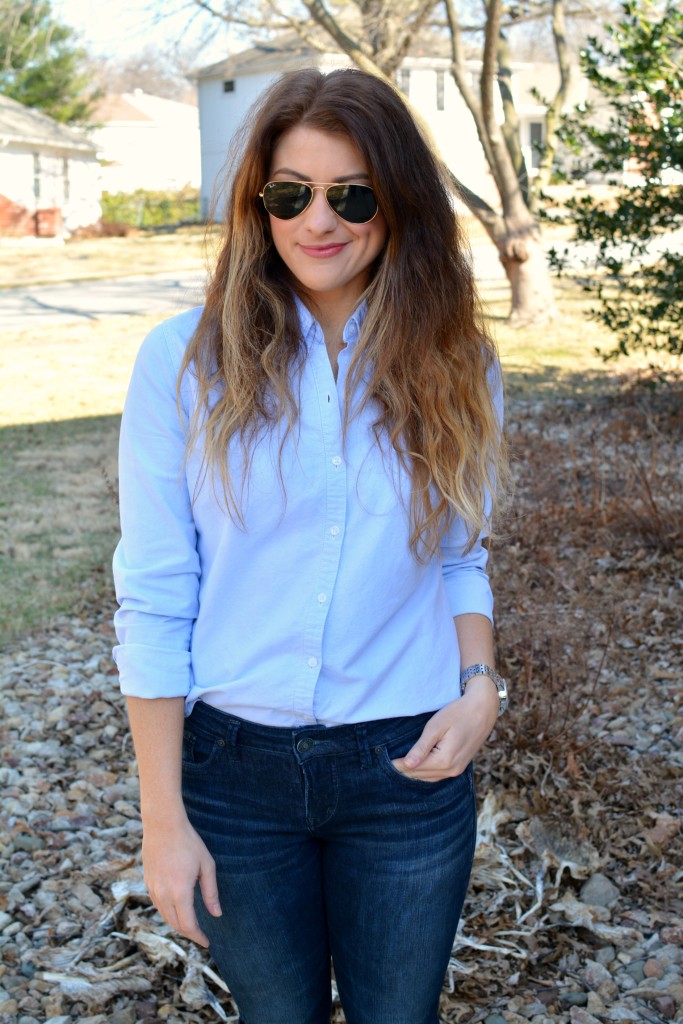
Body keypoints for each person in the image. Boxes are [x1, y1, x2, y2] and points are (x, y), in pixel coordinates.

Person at [113, 66, 509, 1024]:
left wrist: (481, 688)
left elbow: (461, 553)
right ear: (258, 204)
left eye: (352, 194)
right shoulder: (183, 362)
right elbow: (158, 596)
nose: (316, 221)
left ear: (400, 203)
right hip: (233, 779)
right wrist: (163, 821)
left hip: (406, 769)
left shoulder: (460, 361)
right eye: (288, 194)